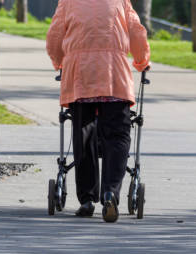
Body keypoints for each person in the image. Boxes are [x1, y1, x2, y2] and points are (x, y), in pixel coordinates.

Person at [46, 0, 150, 223]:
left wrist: (59, 62)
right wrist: (142, 62)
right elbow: (136, 33)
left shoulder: (68, 2)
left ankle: (86, 198)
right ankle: (110, 191)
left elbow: (54, 36)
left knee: (83, 135)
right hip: (114, 77)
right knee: (117, 135)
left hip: (80, 77)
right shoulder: (120, 1)